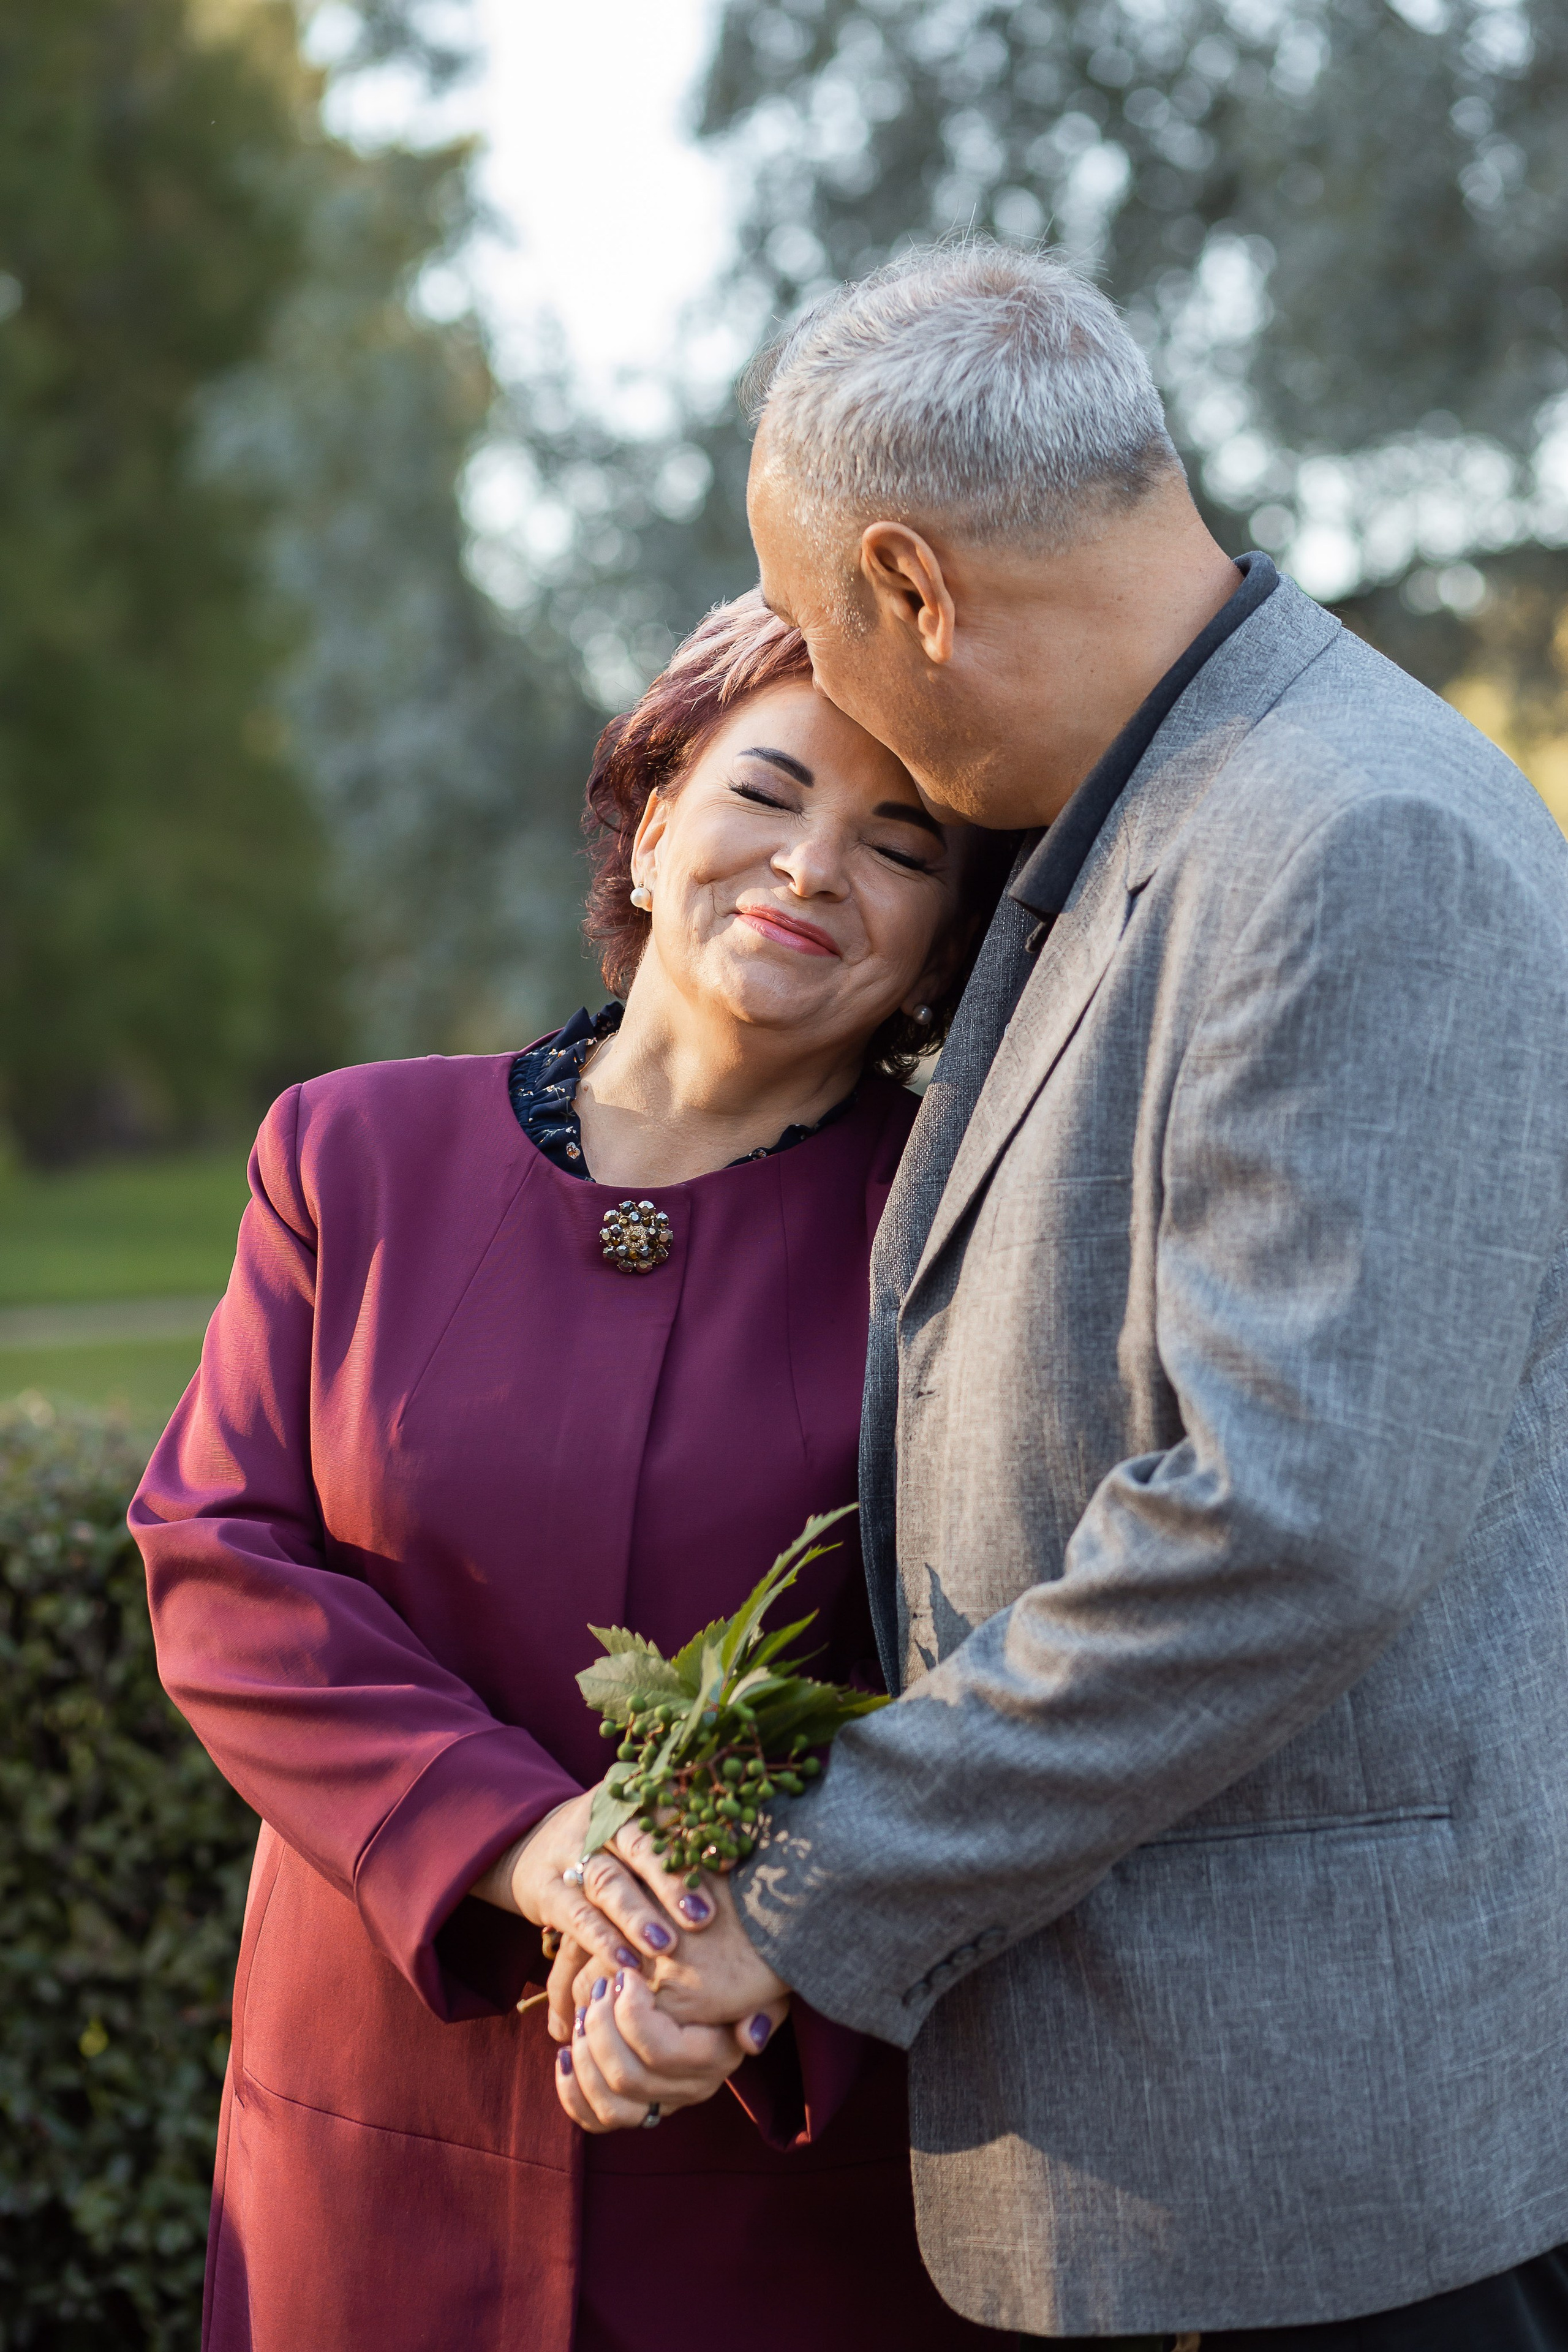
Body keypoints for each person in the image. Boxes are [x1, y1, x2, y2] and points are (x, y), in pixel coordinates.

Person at [585, 246, 1568, 2349]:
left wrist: (804, 1896)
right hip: (1178, 2149)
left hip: (1316, 2179)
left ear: (913, 586)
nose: (851, 721)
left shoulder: (1349, 835)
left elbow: (1285, 1517)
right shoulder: (1168, 806)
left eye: (839, 646)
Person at [131, 590, 1013, 2352]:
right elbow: (222, 1561)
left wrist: (756, 1963)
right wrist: (528, 1841)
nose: (813, 866)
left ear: (943, 941)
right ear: (660, 802)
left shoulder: (969, 1221)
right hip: (368, 2155)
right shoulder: (350, 1152)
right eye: (767, 792)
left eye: (898, 844)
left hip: (772, 2165)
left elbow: (1002, 1668)